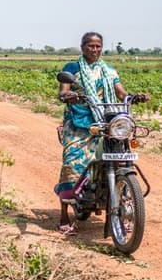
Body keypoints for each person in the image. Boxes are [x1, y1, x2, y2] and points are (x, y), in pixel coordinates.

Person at [54, 31, 147, 235]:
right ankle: (64, 213)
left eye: (98, 46)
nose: (94, 49)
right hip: (78, 122)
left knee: (118, 158)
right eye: (90, 45)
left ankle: (121, 204)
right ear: (82, 47)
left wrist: (132, 97)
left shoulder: (108, 70)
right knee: (72, 164)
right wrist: (69, 95)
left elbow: (120, 92)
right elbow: (63, 91)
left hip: (105, 121)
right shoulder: (72, 68)